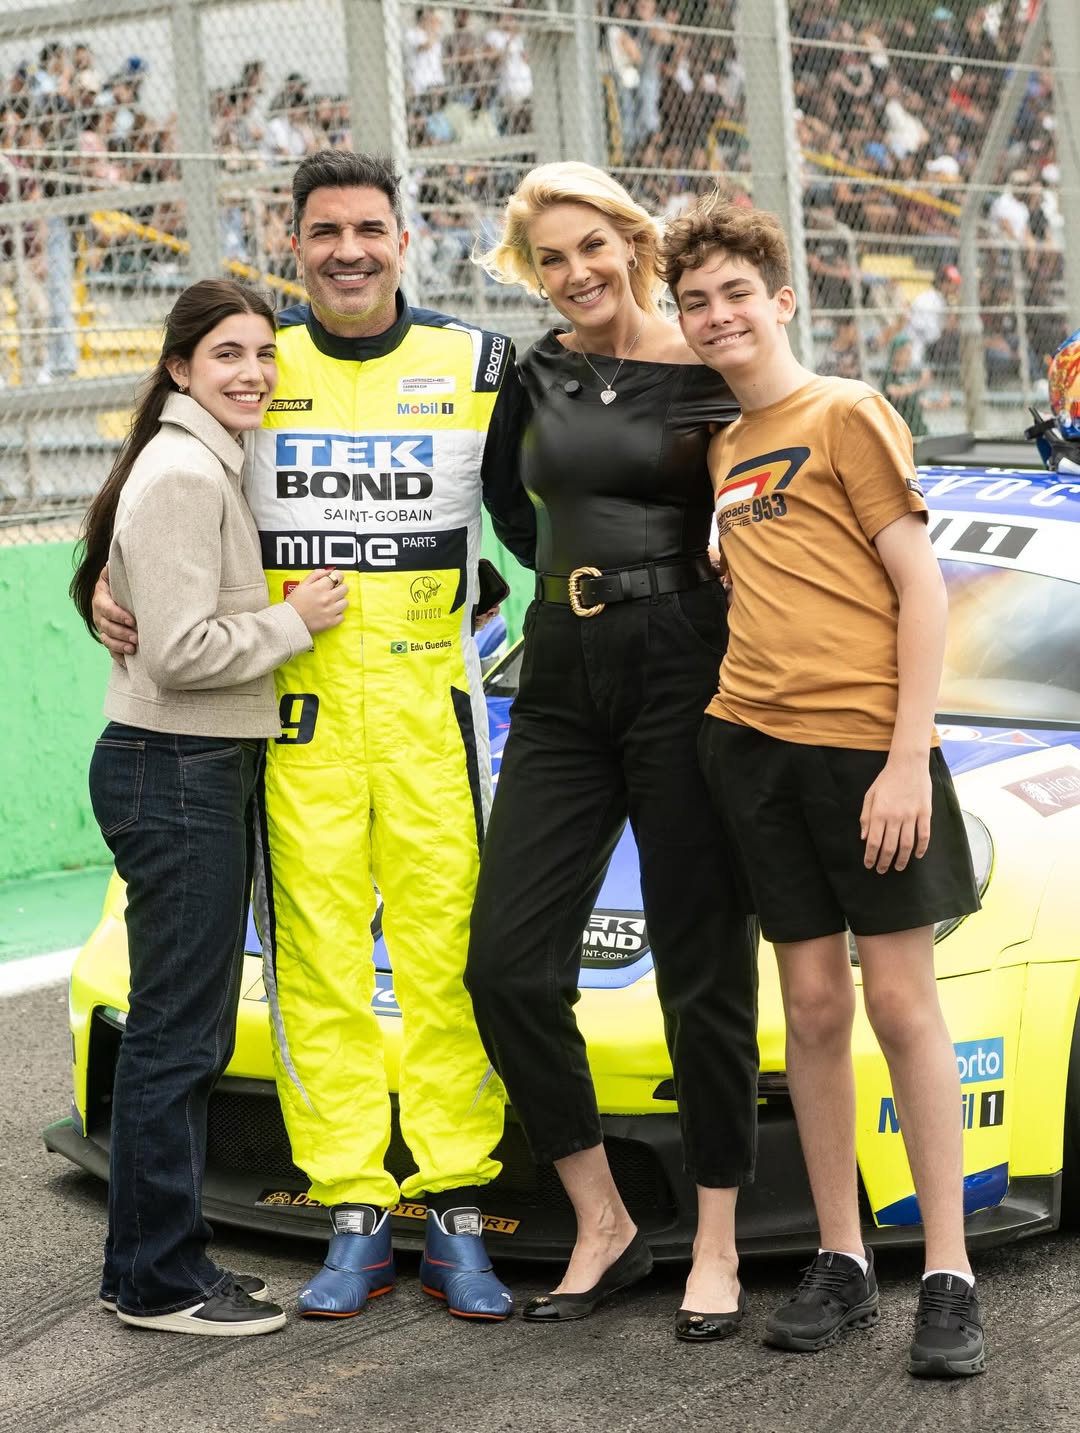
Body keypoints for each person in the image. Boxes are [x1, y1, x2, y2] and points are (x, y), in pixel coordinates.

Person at [92, 150, 536, 1324]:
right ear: (293, 244)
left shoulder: (478, 361)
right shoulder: (256, 360)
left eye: (370, 228)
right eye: (326, 230)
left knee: (446, 960)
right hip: (291, 723)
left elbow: (540, 520)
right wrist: (98, 582)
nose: (349, 249)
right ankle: (349, 1203)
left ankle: (452, 1209)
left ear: (407, 238)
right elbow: (153, 478)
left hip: (433, 715)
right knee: (318, 967)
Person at [662, 198, 986, 1378]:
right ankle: (843, 1257)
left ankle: (946, 1271)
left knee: (901, 1004)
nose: (716, 316)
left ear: (781, 297)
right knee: (807, 1008)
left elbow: (925, 588)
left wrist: (909, 756)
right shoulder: (722, 446)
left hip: (869, 753)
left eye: (735, 294)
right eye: (695, 302)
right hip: (751, 747)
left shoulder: (848, 411)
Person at [467, 161, 759, 1339]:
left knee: (701, 960)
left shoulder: (709, 363)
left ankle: (721, 1240)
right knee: (507, 962)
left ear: (634, 243)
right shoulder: (526, 370)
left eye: (594, 247)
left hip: (687, 657)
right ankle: (603, 1216)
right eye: (551, 258)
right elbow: (507, 504)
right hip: (558, 664)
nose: (575, 272)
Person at [70, 278, 347, 1336]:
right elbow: (184, 654)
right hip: (175, 764)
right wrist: (295, 621)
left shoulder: (200, 458)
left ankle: (148, 1261)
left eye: (265, 355)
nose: (254, 373)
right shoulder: (187, 470)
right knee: (180, 1038)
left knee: (179, 1032)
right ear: (180, 368)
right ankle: (159, 1279)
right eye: (228, 354)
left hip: (187, 765)